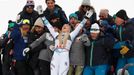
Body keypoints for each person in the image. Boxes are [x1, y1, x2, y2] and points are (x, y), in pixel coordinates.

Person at [39, 10, 93, 75]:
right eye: (64, 27)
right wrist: (42, 17)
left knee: (62, 73)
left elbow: (79, 27)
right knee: (53, 73)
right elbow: (49, 26)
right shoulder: (56, 35)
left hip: (64, 55)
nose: (65, 28)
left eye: (67, 27)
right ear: (61, 29)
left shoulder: (71, 35)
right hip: (56, 55)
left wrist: (86, 18)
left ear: (69, 30)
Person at [112, 9, 134, 75]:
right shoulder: (117, 27)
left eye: (116, 18)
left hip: (132, 54)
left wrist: (129, 46)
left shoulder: (131, 26)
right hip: (121, 54)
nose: (115, 20)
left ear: (122, 19)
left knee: (131, 72)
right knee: (119, 72)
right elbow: (114, 37)